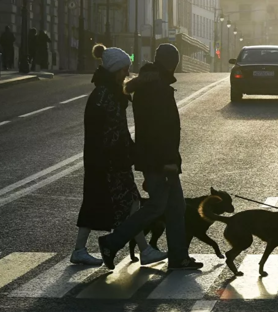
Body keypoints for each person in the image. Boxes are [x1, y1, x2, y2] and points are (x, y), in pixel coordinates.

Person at [98, 44, 202, 271]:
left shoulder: (149, 85)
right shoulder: (158, 89)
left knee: (175, 207)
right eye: (174, 60)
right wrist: (169, 161)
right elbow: (162, 129)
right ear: (170, 62)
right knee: (156, 207)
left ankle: (178, 257)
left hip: (154, 156)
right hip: (161, 159)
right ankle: (112, 242)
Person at [71, 47, 167, 266]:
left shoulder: (106, 92)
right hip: (109, 162)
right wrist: (129, 152)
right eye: (124, 69)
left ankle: (141, 250)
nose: (127, 73)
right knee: (124, 202)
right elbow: (113, 131)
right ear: (115, 70)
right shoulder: (107, 95)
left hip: (105, 159)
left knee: (113, 203)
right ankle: (142, 250)